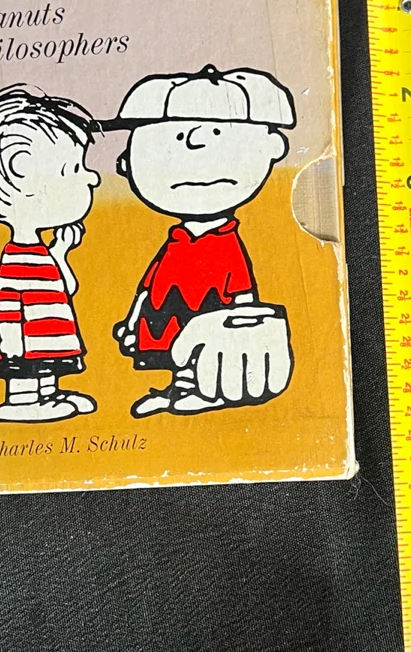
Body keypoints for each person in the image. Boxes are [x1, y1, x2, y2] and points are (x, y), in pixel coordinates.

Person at [104, 64, 295, 417]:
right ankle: (174, 390)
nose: (195, 143)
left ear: (271, 147)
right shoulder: (175, 240)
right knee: (172, 352)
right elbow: (148, 286)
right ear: (127, 163)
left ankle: (200, 391)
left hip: (210, 309)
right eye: (174, 137)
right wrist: (132, 321)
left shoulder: (225, 242)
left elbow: (242, 289)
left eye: (218, 132)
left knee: (199, 350)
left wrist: (243, 319)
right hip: (167, 308)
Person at [0, 84, 100, 422]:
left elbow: (63, 289)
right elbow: (5, 300)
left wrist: (60, 254)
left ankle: (48, 395)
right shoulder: (16, 256)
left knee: (46, 366)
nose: (92, 177)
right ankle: (22, 402)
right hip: (23, 340)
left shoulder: (39, 252)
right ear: (23, 173)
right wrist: (10, 341)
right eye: (74, 168)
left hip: (47, 335)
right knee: (26, 371)